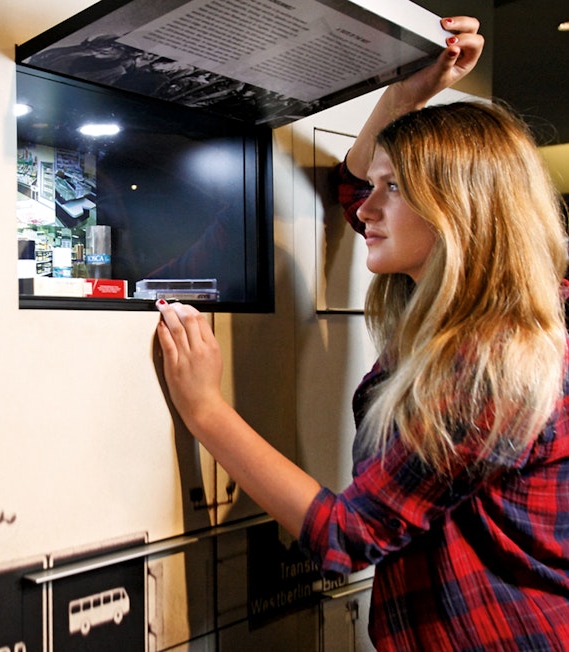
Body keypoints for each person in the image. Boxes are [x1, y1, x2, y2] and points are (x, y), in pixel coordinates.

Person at [156, 15, 569, 651]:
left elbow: (347, 536)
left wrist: (205, 409)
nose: (367, 209)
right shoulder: (524, 313)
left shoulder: (488, 361)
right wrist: (408, 95)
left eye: (394, 188)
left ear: (457, 211)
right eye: (376, 186)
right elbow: (354, 193)